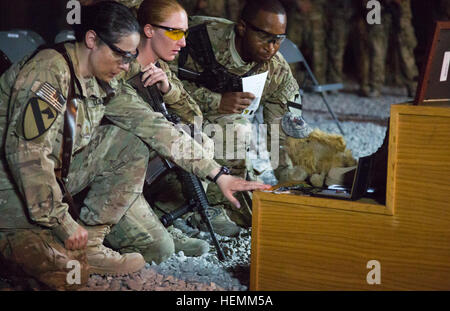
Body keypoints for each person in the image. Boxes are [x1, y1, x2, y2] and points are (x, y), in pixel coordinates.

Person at [102, 0, 271, 259]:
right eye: (175, 32)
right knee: (160, 249)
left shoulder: (161, 67)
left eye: (185, 33)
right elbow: (155, 129)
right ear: (148, 30)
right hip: (113, 167)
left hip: (146, 156)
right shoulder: (122, 68)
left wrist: (168, 90)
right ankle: (136, 221)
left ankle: (165, 214)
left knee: (200, 138)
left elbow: (195, 116)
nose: (182, 42)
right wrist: (218, 174)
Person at [0, 1, 147, 290]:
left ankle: (88, 245)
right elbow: (26, 156)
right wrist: (62, 222)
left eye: (131, 57)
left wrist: (215, 172)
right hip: (8, 185)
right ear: (92, 40)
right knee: (72, 274)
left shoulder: (93, 74)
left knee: (128, 145)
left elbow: (149, 123)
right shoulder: (48, 73)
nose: (125, 66)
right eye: (120, 55)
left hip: (43, 179)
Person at [170, 0, 306, 229]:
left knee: (254, 215)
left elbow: (280, 133)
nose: (272, 47)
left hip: (217, 127)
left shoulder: (277, 70)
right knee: (235, 130)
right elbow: (156, 81)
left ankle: (220, 202)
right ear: (242, 28)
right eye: (265, 37)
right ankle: (192, 206)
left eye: (279, 39)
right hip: (173, 117)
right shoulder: (196, 38)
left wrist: (291, 184)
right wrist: (216, 101)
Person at [359, 0, 418, 98]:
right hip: (375, 6)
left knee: (405, 50)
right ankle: (374, 85)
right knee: (375, 48)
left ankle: (413, 86)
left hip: (399, 7)